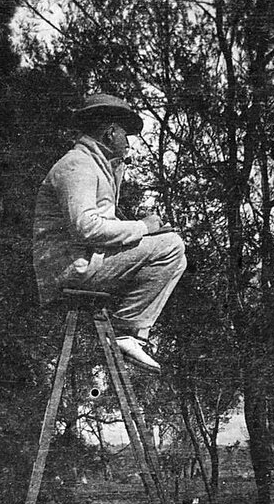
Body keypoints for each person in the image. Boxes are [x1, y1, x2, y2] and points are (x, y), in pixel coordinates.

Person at [33, 93, 187, 373]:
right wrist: (143, 227)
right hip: (70, 269)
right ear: (110, 132)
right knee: (172, 247)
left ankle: (130, 332)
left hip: (83, 263)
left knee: (173, 251)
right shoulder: (77, 164)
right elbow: (86, 227)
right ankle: (126, 330)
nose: (127, 142)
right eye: (125, 134)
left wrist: (147, 234)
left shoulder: (96, 165)